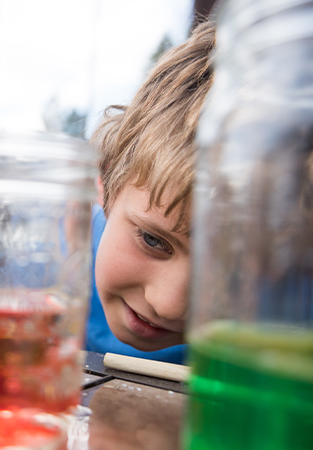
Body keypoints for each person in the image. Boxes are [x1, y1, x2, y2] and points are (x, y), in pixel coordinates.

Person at [84, 20, 216, 363]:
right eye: (153, 240)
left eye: (222, 269)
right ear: (108, 182)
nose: (168, 305)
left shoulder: (309, 325)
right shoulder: (37, 272)